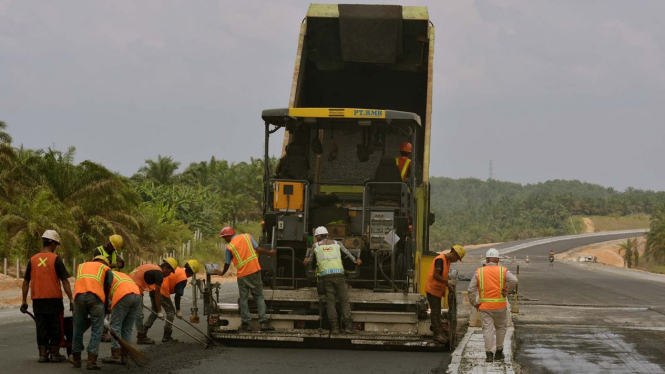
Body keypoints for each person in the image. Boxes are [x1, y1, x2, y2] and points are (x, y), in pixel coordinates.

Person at [21, 230, 74, 363]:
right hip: (54, 299)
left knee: (41, 326)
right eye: (56, 244)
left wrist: (23, 301)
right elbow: (65, 281)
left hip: (37, 299)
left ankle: (43, 354)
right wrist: (71, 299)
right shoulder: (55, 259)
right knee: (56, 326)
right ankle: (54, 353)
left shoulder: (32, 260)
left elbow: (26, 282)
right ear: (53, 244)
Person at [214, 227, 276, 332]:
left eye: (224, 238)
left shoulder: (229, 247)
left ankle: (246, 324)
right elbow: (258, 249)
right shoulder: (247, 236)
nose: (224, 240)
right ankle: (264, 323)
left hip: (242, 275)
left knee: (244, 299)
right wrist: (270, 253)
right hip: (254, 271)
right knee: (259, 297)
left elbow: (227, 263)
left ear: (229, 235)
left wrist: (222, 273)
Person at [303, 226, 361, 334]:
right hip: (339, 276)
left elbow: (308, 262)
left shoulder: (315, 246)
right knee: (344, 302)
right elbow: (349, 254)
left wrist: (306, 260)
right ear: (327, 235)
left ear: (318, 237)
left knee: (330, 303)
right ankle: (348, 327)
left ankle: (334, 328)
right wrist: (356, 260)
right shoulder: (337, 243)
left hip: (326, 278)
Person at [468, 248, 518, 363]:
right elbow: (514, 281)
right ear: (497, 260)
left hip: (485, 307)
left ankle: (489, 354)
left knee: (488, 330)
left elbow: (471, 289)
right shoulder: (503, 271)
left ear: (486, 260)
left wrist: (474, 303)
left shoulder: (479, 272)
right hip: (500, 306)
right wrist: (507, 290)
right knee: (501, 328)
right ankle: (499, 352)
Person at [70, 255, 113, 370]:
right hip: (95, 297)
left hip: (79, 297)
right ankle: (91, 361)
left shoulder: (81, 266)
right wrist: (105, 307)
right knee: (97, 330)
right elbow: (107, 288)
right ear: (105, 263)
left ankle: (77, 360)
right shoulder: (106, 269)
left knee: (78, 328)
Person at [425, 245, 465, 343]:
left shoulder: (447, 261)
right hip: (432, 289)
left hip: (437, 290)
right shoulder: (440, 260)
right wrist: (448, 281)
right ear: (454, 253)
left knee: (437, 312)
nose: (456, 260)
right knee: (435, 312)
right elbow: (436, 275)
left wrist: (447, 284)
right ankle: (437, 335)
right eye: (457, 258)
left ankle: (440, 333)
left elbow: (442, 275)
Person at [130, 259, 176, 344]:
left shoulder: (152, 267)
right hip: (134, 288)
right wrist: (159, 311)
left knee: (131, 313)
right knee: (139, 314)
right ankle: (141, 337)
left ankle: (139, 334)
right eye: (169, 272)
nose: (169, 275)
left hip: (127, 284)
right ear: (165, 268)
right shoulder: (159, 274)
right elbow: (157, 294)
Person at [154, 258, 200, 342]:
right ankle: (167, 336)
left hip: (155, 288)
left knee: (155, 311)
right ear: (191, 273)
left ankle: (142, 333)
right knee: (171, 312)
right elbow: (177, 296)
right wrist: (178, 311)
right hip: (162, 291)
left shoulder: (178, 269)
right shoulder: (183, 278)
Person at [101, 270, 141, 365]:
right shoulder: (119, 274)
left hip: (123, 294)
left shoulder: (103, 276)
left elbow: (102, 295)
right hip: (136, 294)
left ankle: (116, 355)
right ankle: (124, 355)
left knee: (115, 326)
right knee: (127, 328)